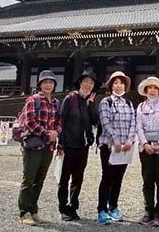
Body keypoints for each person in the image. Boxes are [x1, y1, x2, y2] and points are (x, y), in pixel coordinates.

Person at [18, 70, 62, 226]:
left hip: (48, 147)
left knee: (40, 180)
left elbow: (59, 121)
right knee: (29, 179)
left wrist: (56, 132)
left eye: (51, 82)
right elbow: (29, 122)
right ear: (40, 84)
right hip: (34, 146)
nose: (48, 85)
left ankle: (33, 209)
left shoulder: (56, 103)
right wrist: (46, 134)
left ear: (54, 85)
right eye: (45, 82)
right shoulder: (33, 100)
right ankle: (24, 212)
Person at [57, 69, 99, 221]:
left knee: (78, 177)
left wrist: (91, 105)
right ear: (80, 83)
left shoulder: (90, 101)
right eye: (86, 81)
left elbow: (95, 120)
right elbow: (61, 121)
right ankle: (63, 208)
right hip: (69, 144)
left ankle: (73, 206)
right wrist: (60, 143)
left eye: (91, 83)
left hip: (83, 145)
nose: (88, 85)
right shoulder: (70, 98)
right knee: (64, 177)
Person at [96, 71, 137, 225]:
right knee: (107, 177)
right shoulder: (106, 102)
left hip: (125, 147)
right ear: (111, 85)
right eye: (116, 83)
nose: (119, 86)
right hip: (109, 145)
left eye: (121, 83)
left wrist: (130, 140)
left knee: (118, 178)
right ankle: (102, 209)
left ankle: (113, 207)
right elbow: (105, 122)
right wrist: (116, 140)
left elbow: (133, 122)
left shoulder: (129, 103)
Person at [135, 77, 159, 227]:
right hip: (146, 148)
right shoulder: (141, 106)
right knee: (147, 180)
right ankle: (148, 210)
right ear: (145, 91)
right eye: (149, 88)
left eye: (155, 88)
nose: (152, 90)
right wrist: (145, 143)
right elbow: (138, 127)